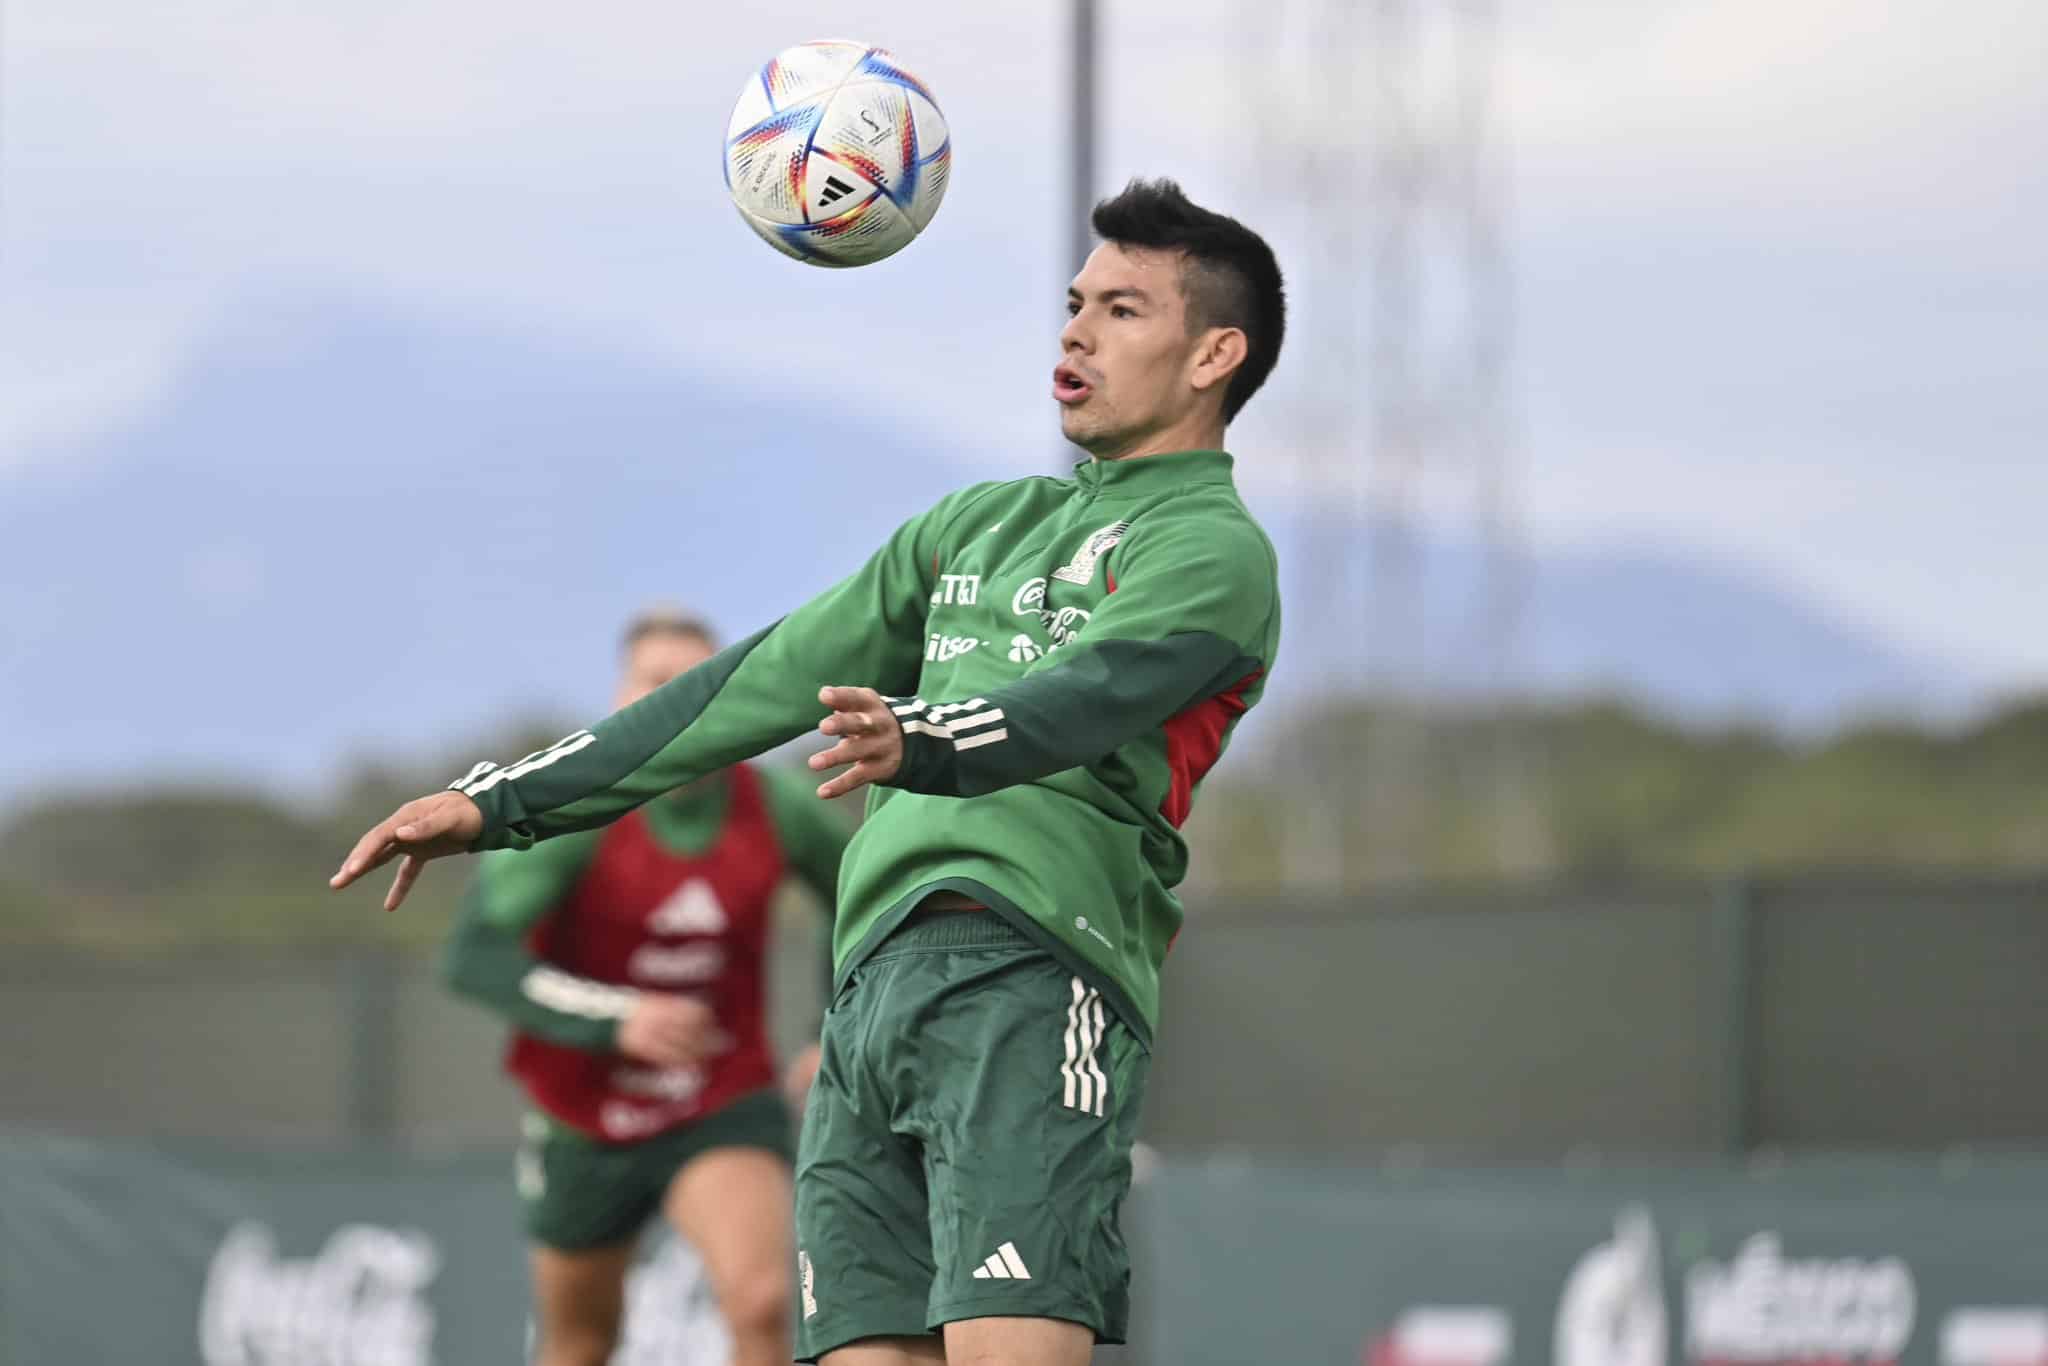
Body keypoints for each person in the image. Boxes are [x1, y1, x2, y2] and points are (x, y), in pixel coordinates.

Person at [333, 178, 1287, 1366]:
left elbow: (1087, 700)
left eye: (1123, 311)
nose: (1074, 332)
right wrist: (500, 799)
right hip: (867, 997)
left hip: (1034, 970)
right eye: (1072, 302)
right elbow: (750, 684)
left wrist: (929, 738)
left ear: (1215, 355)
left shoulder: (1212, 550)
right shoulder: (973, 525)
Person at [440, 609, 847, 1366]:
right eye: (657, 682)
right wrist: (616, 1017)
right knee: (580, 1341)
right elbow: (474, 956)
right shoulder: (577, 809)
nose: (677, 698)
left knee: (760, 1303)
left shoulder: (774, 805)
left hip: (720, 1096)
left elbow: (863, 893)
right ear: (622, 697)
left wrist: (835, 1028)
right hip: (583, 1113)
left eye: (698, 681)